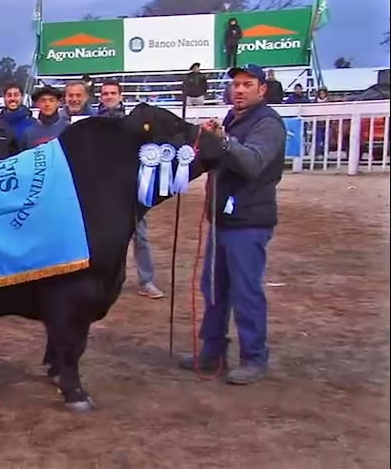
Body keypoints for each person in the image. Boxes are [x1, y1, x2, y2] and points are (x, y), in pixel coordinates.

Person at [179, 63, 286, 385]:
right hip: (223, 218)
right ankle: (212, 350)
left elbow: (253, 163)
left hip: (248, 220)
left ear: (261, 89)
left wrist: (223, 141)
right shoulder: (234, 119)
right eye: (235, 84)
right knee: (213, 287)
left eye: (246, 84)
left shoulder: (268, 123)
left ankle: (254, 357)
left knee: (245, 291)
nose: (238, 89)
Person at [96, 80, 164, 299]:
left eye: (112, 93)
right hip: (103, 187)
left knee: (140, 236)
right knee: (105, 237)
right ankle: (107, 280)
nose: (108, 96)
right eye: (105, 93)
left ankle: (147, 280)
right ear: (100, 97)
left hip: (132, 187)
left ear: (120, 95)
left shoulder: (134, 120)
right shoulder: (92, 121)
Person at [19, 85, 69, 149]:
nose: (47, 104)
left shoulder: (67, 128)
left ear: (58, 103)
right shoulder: (28, 133)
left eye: (51, 100)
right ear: (37, 104)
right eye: (43, 100)